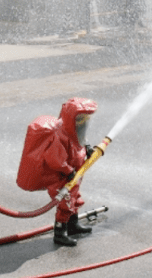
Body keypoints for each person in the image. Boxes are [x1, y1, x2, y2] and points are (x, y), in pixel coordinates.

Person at [16, 97, 98, 248]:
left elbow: (80, 142)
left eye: (85, 119)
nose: (83, 122)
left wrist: (88, 148)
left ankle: (73, 226)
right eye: (80, 119)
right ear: (71, 118)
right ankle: (60, 234)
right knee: (65, 204)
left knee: (74, 200)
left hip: (72, 176)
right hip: (61, 178)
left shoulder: (75, 133)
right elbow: (54, 159)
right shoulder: (61, 136)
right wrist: (68, 170)